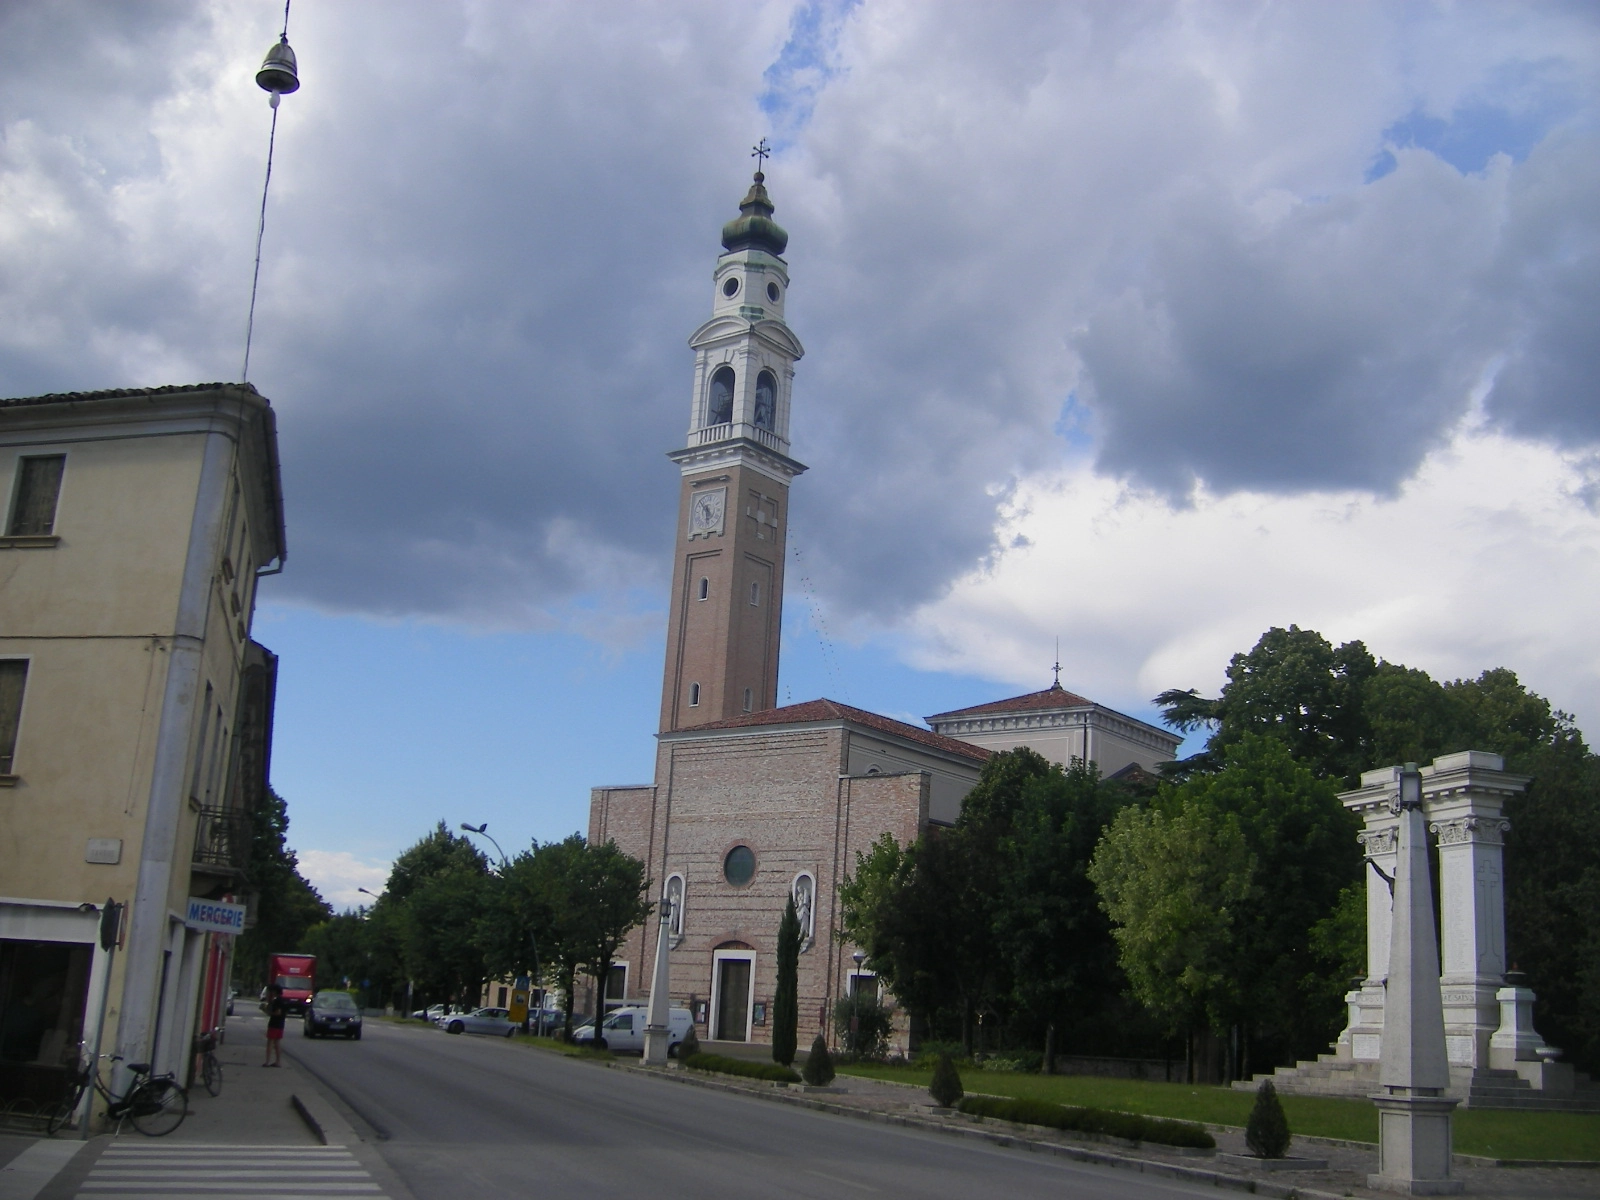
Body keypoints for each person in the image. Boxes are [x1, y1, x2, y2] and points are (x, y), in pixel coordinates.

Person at [263, 985, 286, 1066]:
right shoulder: (282, 1000)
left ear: (275, 991)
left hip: (274, 1024)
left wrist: (270, 1012)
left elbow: (278, 1012)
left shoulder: (277, 1001)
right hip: (280, 1024)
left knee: (270, 1042)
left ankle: (267, 1061)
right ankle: (278, 1061)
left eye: (271, 991)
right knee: (277, 1043)